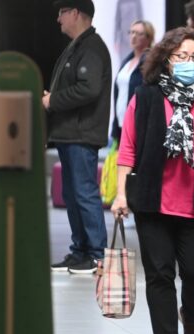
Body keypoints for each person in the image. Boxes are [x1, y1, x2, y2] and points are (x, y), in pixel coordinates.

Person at [111, 26, 194, 334]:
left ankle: (190, 315)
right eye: (181, 56)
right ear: (166, 61)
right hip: (153, 202)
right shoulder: (146, 96)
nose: (188, 62)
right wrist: (121, 194)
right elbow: (128, 148)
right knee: (159, 275)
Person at [45, 0, 111, 274]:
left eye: (61, 13)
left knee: (84, 193)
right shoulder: (79, 46)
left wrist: (52, 101)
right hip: (70, 133)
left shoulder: (92, 48)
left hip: (81, 134)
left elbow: (89, 88)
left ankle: (96, 255)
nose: (58, 19)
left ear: (74, 13)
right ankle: (80, 251)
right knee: (73, 194)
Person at [111, 20, 155, 143]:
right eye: (132, 32)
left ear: (148, 38)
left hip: (139, 125)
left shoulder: (150, 63)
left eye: (139, 34)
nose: (134, 36)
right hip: (121, 123)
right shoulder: (127, 61)